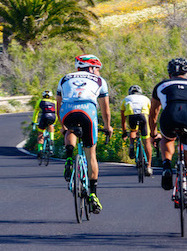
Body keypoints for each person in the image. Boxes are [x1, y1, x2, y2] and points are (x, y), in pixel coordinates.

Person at [149, 58, 187, 225]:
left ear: (169, 74)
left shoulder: (161, 86)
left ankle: (166, 164)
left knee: (167, 138)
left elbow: (153, 112)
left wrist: (154, 134)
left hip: (170, 118)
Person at [56, 54, 113, 214]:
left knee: (70, 129)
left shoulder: (64, 78)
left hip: (67, 111)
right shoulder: (100, 81)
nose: (98, 72)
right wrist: (108, 127)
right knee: (91, 156)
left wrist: (63, 126)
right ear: (92, 68)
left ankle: (68, 158)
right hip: (88, 111)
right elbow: (105, 110)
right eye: (97, 69)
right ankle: (93, 194)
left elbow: (58, 105)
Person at [120, 85, 154, 176]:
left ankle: (131, 145)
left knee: (133, 131)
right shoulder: (146, 98)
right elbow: (151, 116)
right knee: (146, 141)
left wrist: (124, 132)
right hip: (143, 116)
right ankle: (149, 167)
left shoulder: (126, 99)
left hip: (131, 116)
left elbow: (123, 119)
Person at [32, 90, 57, 159]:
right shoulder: (54, 102)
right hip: (52, 117)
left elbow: (36, 112)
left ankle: (40, 150)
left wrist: (34, 121)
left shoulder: (40, 101)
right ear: (51, 97)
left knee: (40, 133)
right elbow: (57, 113)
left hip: (44, 117)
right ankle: (51, 140)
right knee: (51, 126)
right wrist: (55, 122)